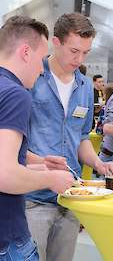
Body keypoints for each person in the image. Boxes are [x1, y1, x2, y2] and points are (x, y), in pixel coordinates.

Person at [25, 13, 113, 261]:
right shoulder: (32, 77)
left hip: (70, 197)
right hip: (33, 197)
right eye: (74, 51)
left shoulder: (85, 86)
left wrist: (97, 163)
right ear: (56, 42)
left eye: (86, 53)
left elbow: (82, 137)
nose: (80, 59)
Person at [0, 16, 74, 260]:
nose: (43, 69)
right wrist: (50, 178)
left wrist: (37, 161)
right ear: (24, 52)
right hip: (8, 239)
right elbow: (5, 174)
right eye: (42, 59)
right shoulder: (15, 94)